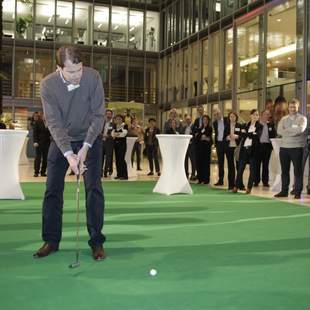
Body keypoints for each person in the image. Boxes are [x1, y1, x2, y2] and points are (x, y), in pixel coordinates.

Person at [33, 46, 106, 260]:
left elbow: (98, 114)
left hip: (89, 140)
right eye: (71, 72)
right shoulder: (48, 85)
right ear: (59, 68)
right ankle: (51, 240)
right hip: (61, 140)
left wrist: (84, 148)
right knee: (52, 189)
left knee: (93, 188)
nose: (77, 76)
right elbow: (53, 122)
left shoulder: (92, 77)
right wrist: (68, 153)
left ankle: (96, 241)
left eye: (79, 70)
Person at [275, 99, 307, 199]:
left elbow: (300, 130)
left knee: (297, 171)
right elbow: (279, 131)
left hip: (297, 148)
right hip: (284, 148)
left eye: (294, 107)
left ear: (298, 107)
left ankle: (297, 192)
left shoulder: (302, 119)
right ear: (288, 108)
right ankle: (284, 191)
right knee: (284, 171)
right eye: (291, 107)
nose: (292, 109)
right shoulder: (283, 119)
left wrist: (287, 130)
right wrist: (292, 131)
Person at [233, 109, 262, 194]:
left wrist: (247, 134)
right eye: (254, 115)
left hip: (254, 151)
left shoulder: (260, 126)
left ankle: (249, 188)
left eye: (257, 115)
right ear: (251, 116)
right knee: (240, 169)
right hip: (244, 150)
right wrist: (250, 134)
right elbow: (242, 135)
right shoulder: (246, 125)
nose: (256, 116)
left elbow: (257, 136)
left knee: (252, 170)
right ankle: (236, 186)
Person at [255, 109, 276, 187]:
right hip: (258, 147)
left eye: (268, 114)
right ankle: (256, 181)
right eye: (266, 114)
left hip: (267, 147)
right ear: (261, 115)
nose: (267, 116)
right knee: (257, 164)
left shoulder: (271, 125)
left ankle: (265, 181)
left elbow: (273, 136)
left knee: (265, 165)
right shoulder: (256, 124)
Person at [223, 112, 242, 190]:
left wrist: (237, 136)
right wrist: (227, 137)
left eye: (234, 116)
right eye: (231, 116)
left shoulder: (239, 125)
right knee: (230, 166)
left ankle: (239, 184)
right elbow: (224, 136)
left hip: (237, 147)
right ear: (229, 118)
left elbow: (242, 136)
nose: (232, 118)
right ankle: (231, 185)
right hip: (229, 147)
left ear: (236, 117)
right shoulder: (226, 126)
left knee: (239, 166)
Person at [195, 115, 213, 184]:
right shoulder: (200, 128)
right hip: (199, 149)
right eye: (204, 119)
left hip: (206, 149)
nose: (205, 121)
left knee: (206, 164)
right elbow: (197, 137)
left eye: (206, 119)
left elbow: (209, 138)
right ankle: (200, 179)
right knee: (199, 163)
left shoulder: (210, 128)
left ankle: (206, 180)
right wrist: (202, 137)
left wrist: (204, 137)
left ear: (208, 121)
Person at [213, 108, 228, 186]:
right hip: (219, 144)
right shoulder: (215, 123)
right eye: (215, 115)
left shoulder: (227, 120)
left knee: (230, 162)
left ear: (221, 113)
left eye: (218, 114)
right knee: (220, 163)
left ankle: (231, 181)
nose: (217, 116)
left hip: (227, 143)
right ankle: (220, 180)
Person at [33, 112, 51, 177]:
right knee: (38, 158)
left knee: (45, 158)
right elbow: (35, 133)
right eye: (45, 116)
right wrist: (35, 141)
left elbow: (51, 133)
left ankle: (43, 172)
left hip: (47, 143)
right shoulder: (38, 122)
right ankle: (36, 172)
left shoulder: (50, 123)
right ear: (43, 116)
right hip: (39, 143)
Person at [112, 115, 128, 180]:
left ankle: (124, 175)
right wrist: (117, 134)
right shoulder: (115, 126)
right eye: (117, 119)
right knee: (117, 160)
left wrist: (116, 134)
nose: (118, 120)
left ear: (122, 119)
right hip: (116, 144)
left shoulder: (125, 125)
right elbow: (112, 134)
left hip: (122, 144)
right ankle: (119, 174)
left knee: (122, 159)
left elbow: (124, 134)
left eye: (119, 119)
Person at [180, 115, 196, 180]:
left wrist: (192, 141)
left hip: (191, 146)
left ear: (191, 120)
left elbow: (195, 135)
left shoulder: (194, 127)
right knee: (185, 160)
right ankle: (186, 174)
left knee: (193, 161)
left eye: (189, 119)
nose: (187, 121)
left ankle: (193, 174)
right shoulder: (184, 127)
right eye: (186, 120)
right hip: (185, 146)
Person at [102, 109, 114, 177]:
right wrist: (102, 135)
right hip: (101, 142)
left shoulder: (113, 124)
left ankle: (105, 172)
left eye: (109, 114)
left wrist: (108, 136)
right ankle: (100, 172)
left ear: (112, 115)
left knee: (108, 158)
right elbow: (98, 132)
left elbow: (114, 133)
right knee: (101, 158)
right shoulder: (101, 123)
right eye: (107, 114)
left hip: (109, 143)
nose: (108, 115)